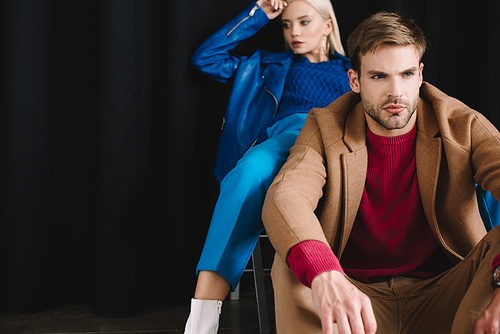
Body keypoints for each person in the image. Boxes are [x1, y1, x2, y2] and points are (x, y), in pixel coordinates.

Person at [262, 10, 500, 334]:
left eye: (405, 74)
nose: (395, 92)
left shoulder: (461, 124)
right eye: (378, 77)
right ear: (355, 81)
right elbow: (286, 195)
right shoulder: (325, 126)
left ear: (420, 75)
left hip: (448, 293)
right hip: (355, 302)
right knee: (295, 260)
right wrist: (324, 273)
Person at [184, 0, 351, 333]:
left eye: (304, 22)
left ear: (328, 25)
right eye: (287, 25)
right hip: (284, 136)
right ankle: (201, 319)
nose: (294, 32)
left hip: (338, 143)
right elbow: (206, 59)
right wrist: (259, 13)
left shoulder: (354, 68)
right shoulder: (266, 65)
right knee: (247, 172)